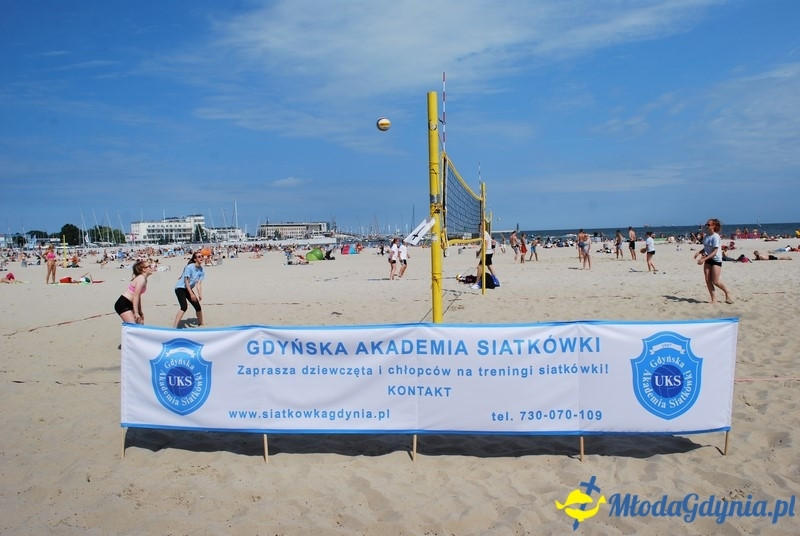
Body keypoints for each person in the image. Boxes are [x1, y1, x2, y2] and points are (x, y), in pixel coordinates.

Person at [694, 218, 732, 304]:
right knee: (707, 280)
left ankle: (727, 293)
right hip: (708, 259)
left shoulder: (716, 237)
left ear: (714, 226)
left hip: (716, 260)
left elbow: (714, 252)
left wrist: (703, 259)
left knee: (715, 281)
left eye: (708, 225)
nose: (706, 226)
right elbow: (707, 247)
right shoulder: (706, 236)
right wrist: (699, 252)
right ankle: (714, 299)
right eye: (706, 225)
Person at [114, 259, 155, 324]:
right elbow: (136, 296)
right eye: (149, 266)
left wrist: (139, 311)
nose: (151, 267)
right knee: (134, 326)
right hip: (123, 303)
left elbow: (138, 296)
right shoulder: (141, 279)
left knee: (140, 323)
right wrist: (136, 313)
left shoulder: (144, 279)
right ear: (144, 269)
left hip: (131, 303)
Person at [173, 252, 205, 328]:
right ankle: (174, 327)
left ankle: (201, 324)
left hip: (188, 289)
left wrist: (200, 294)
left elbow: (198, 284)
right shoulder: (190, 267)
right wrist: (191, 294)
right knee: (184, 307)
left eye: (202, 256)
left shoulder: (201, 270)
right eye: (199, 256)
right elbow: (186, 281)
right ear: (195, 259)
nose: (201, 258)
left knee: (198, 306)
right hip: (180, 288)